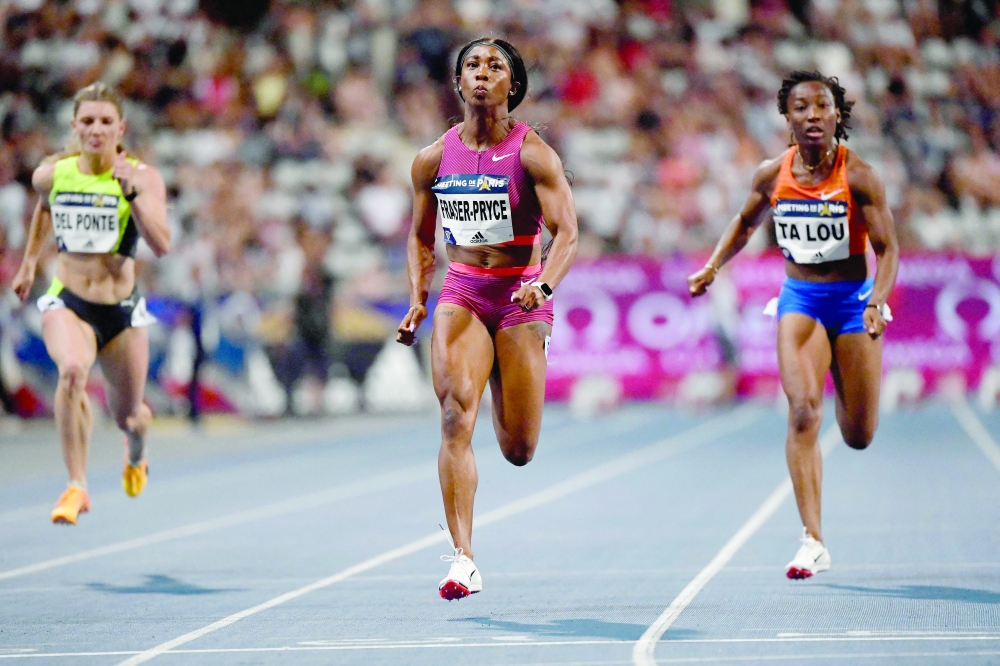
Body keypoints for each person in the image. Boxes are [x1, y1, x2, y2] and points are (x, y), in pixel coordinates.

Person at [688, 71, 899, 579]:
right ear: (787, 118)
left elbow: (887, 248)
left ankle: (820, 519)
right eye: (800, 107)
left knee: (858, 435)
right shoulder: (771, 173)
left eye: (821, 107)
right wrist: (715, 265)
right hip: (799, 299)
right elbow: (744, 222)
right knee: (803, 411)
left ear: (836, 116)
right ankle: (812, 539)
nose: (811, 116)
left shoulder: (860, 175)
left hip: (853, 303)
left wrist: (876, 300)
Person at [396, 38, 578, 600]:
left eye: (494, 67)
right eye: (471, 65)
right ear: (458, 83)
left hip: (521, 296)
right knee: (454, 416)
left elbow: (568, 233)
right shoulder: (432, 159)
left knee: (518, 449)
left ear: (512, 86)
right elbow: (420, 238)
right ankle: (463, 559)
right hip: (463, 293)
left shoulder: (533, 154)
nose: (481, 74)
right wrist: (418, 299)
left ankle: (511, 364)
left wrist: (542, 284)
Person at [10, 82, 170, 524]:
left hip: (119, 312)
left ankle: (136, 450)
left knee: (129, 417)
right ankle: (76, 485)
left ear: (120, 127)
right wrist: (28, 265)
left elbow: (162, 244)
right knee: (73, 372)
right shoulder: (53, 174)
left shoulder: (143, 176)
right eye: (87, 121)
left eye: (105, 121)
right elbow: (45, 206)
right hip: (69, 300)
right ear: (74, 127)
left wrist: (132, 196)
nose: (96, 129)